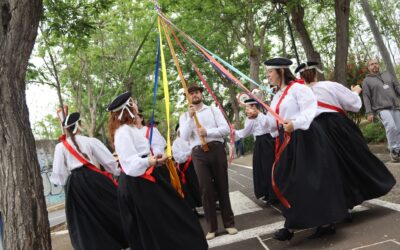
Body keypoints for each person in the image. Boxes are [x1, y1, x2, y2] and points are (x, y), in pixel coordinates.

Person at [296, 62, 396, 223]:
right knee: (352, 160)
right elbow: (354, 105)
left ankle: (340, 204)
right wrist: (355, 92)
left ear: (300, 77)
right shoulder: (330, 86)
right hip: (338, 127)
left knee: (329, 167)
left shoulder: (299, 94)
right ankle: (358, 194)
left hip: (313, 131)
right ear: (316, 73)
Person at [107, 91, 208, 250]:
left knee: (169, 215)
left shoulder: (131, 129)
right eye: (133, 103)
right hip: (139, 183)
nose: (136, 105)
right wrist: (151, 160)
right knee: (157, 221)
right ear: (127, 109)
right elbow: (129, 163)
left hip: (147, 176)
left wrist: (154, 158)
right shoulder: (123, 132)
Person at [261, 58, 348, 241]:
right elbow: (271, 122)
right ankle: (293, 221)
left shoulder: (298, 88)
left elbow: (309, 110)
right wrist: (257, 116)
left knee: (308, 181)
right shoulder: (277, 95)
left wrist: (295, 123)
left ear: (281, 71)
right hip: (288, 141)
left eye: (270, 72)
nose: (267, 76)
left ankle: (316, 223)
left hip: (306, 139)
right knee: (286, 180)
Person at [50, 112, 128, 250]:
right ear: (78, 126)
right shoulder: (90, 141)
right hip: (94, 179)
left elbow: (59, 175)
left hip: (75, 185)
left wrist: (67, 183)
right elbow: (109, 162)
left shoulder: (60, 147)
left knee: (83, 218)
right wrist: (118, 172)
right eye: (81, 122)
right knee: (107, 209)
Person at [179, 85, 238, 240]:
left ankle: (229, 224)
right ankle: (211, 227)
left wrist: (208, 132)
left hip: (216, 149)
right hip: (198, 153)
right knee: (206, 189)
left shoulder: (213, 110)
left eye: (197, 92)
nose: (194, 95)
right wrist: (191, 118)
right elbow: (184, 137)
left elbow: (225, 129)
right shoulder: (185, 116)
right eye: (191, 94)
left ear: (202, 94)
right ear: (188, 97)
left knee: (222, 185)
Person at [234, 98, 276, 204]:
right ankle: (266, 193)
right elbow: (245, 133)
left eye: (248, 108)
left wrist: (258, 115)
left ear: (255, 107)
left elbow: (269, 126)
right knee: (260, 169)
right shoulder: (250, 120)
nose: (246, 110)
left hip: (267, 142)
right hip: (258, 143)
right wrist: (234, 132)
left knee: (269, 168)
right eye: (246, 108)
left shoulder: (265, 115)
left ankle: (274, 195)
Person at [362, 59, 400, 162]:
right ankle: (394, 150)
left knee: (398, 129)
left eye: (376, 63)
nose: (374, 65)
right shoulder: (366, 81)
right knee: (391, 127)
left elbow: (396, 87)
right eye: (371, 64)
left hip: (395, 106)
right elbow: (366, 97)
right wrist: (369, 112)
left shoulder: (387, 75)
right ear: (368, 67)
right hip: (381, 109)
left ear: (379, 65)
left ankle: (398, 150)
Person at [172, 123, 203, 216]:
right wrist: (190, 152)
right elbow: (178, 157)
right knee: (190, 188)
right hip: (186, 168)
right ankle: (193, 209)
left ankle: (211, 203)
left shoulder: (192, 138)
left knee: (202, 184)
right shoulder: (176, 143)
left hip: (197, 163)